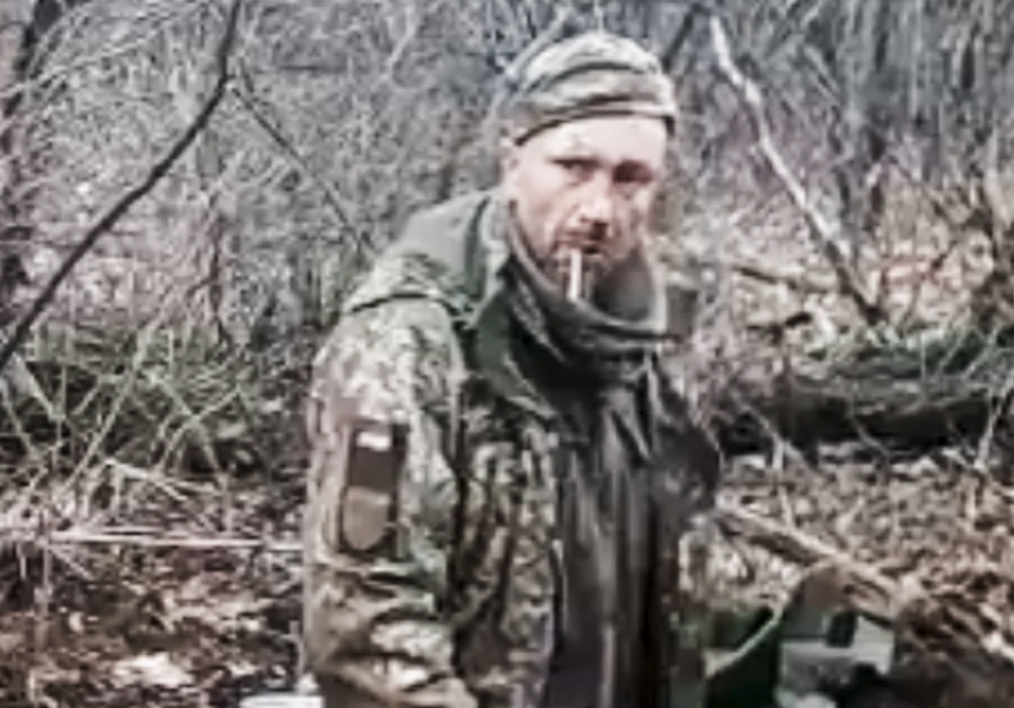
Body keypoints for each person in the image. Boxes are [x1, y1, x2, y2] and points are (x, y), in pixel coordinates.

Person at [300, 27, 894, 708]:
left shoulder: (640, 346)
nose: (598, 210)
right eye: (573, 167)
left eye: (630, 179)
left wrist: (819, 649)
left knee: (873, 651)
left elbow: (663, 595)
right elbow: (366, 634)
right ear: (512, 161)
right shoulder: (408, 342)